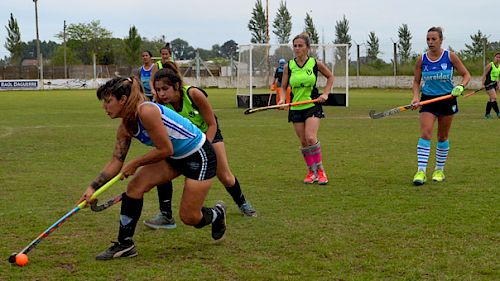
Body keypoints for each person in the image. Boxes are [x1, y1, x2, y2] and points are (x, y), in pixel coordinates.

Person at [77, 77, 227, 260]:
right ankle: (125, 244)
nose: (105, 107)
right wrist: (93, 188)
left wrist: (136, 162)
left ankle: (217, 214)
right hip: (174, 157)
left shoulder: (146, 111)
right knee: (134, 187)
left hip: (199, 154)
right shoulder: (125, 127)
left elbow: (165, 149)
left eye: (108, 101)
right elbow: (116, 161)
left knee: (189, 217)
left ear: (122, 100)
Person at [143, 63, 256, 230]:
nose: (161, 93)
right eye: (158, 89)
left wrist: (204, 148)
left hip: (208, 136)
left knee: (225, 176)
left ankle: (243, 203)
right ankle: (166, 215)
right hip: (184, 143)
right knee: (161, 172)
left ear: (177, 86)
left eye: (165, 89)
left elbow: (212, 124)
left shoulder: (193, 94)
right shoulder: (159, 105)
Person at [411, 26, 471, 186]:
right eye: (428, 39)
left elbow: (466, 74)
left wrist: (461, 86)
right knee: (425, 134)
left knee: (442, 136)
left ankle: (439, 170)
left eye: (433, 39)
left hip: (447, 99)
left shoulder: (450, 56)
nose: (430, 42)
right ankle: (421, 171)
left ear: (440, 40)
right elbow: (416, 82)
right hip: (428, 100)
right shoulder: (421, 59)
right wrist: (416, 97)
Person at [278, 32, 334, 185]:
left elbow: (330, 77)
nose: (297, 48)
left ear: (307, 48)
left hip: (312, 105)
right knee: (303, 142)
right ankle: (312, 172)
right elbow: (283, 87)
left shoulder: (315, 63)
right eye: (295, 46)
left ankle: (321, 171)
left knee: (310, 137)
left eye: (300, 46)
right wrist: (282, 99)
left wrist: (326, 93)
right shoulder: (288, 66)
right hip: (296, 107)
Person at [480, 52, 500, 119]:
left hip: (494, 84)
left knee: (491, 99)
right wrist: (482, 84)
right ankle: (498, 113)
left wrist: (498, 84)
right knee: (494, 97)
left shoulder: (499, 66)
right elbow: (484, 74)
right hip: (488, 84)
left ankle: (487, 114)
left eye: (499, 57)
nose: (498, 59)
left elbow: (499, 76)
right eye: (497, 57)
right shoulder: (490, 65)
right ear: (494, 57)